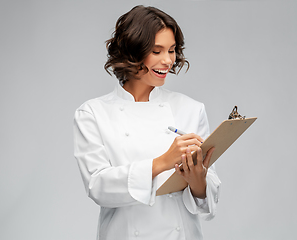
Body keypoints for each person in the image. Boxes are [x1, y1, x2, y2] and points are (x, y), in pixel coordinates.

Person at [73, 5, 221, 240]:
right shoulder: (93, 113)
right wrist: (163, 162)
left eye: (172, 50)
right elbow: (98, 186)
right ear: (132, 52)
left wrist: (198, 181)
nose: (168, 61)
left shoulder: (191, 109)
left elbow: (209, 200)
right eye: (156, 51)